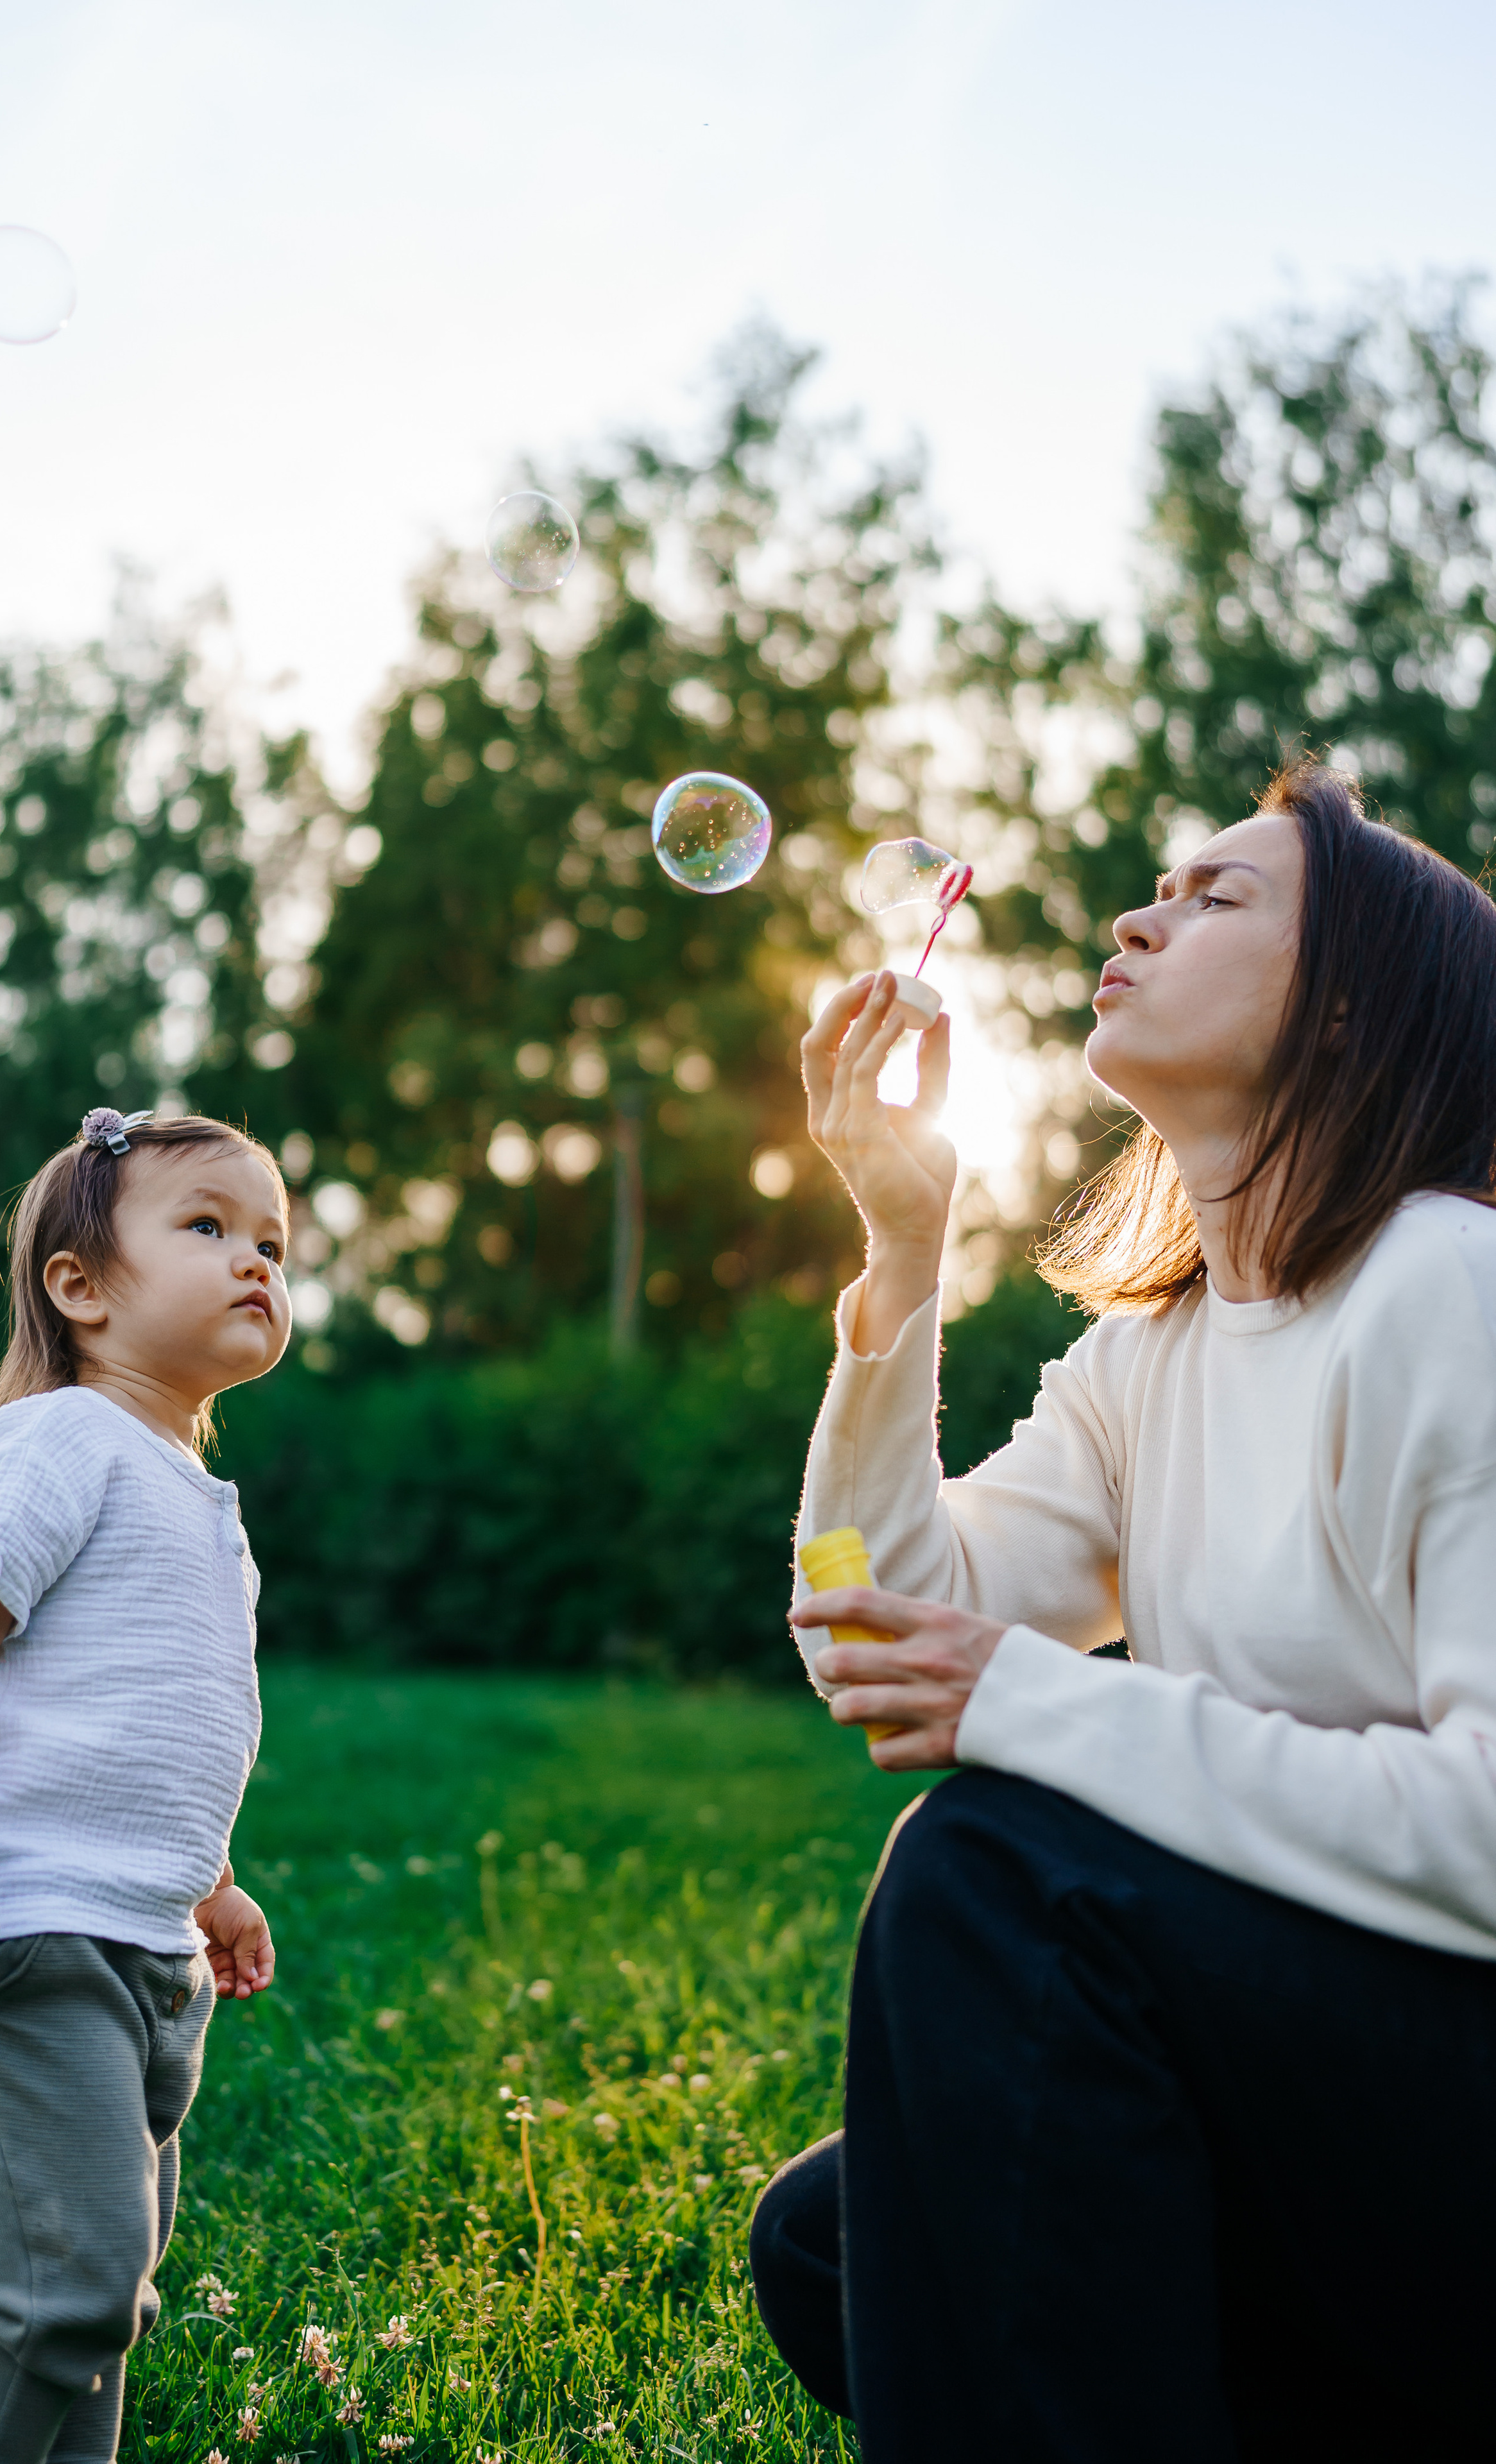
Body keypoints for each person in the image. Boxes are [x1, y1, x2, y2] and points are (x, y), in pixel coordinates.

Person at [749, 760, 1496, 2461]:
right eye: (1162, 882)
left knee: (991, 1865)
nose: (1140, 914)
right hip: (1349, 2113)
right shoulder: (1142, 1360)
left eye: (1220, 894)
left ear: (1353, 999)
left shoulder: (1449, 1286)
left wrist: (1036, 1705)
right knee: (838, 2240)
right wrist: (901, 1264)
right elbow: (865, 1627)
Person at [0, 1108, 291, 2464]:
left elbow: (147, 1723)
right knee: (61, 2295)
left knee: (99, 2308)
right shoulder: (56, 1442)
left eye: (275, 1243)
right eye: (211, 1228)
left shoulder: (192, 1496)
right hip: (16, 1942)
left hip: (141, 1958)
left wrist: (207, 1882)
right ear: (81, 1288)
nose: (257, 1264)